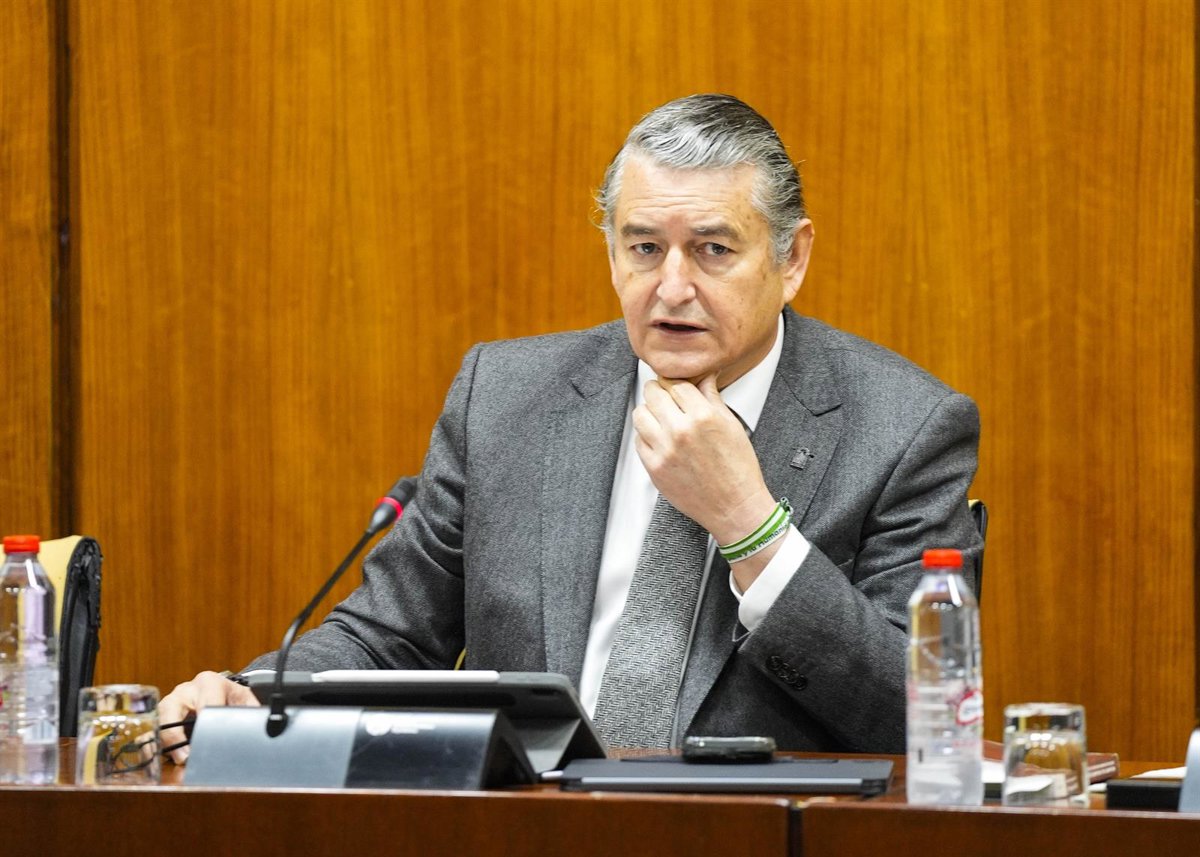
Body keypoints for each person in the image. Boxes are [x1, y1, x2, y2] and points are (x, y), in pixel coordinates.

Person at [161, 93, 981, 762]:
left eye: (712, 250)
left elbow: (923, 717)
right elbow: (388, 635)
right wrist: (252, 695)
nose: (672, 287)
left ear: (791, 258)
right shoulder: (505, 397)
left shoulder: (905, 429)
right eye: (644, 247)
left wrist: (750, 525)